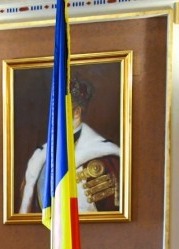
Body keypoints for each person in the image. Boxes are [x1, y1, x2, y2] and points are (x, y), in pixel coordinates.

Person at [19, 76, 120, 214]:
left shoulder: (106, 157)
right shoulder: (39, 157)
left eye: (59, 110)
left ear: (77, 112)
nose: (53, 117)